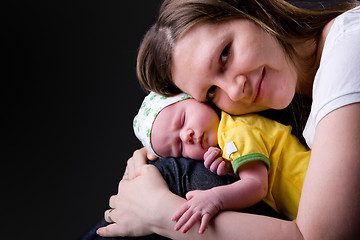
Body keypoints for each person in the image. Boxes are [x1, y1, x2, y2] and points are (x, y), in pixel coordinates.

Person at [97, 0, 360, 239]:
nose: (235, 91)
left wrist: (159, 212)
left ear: (252, 10)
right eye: (212, 92)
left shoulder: (348, 52)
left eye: (225, 54)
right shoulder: (293, 100)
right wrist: (150, 158)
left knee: (175, 176)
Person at [132, 91, 310, 234]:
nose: (187, 136)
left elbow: (257, 186)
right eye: (179, 146)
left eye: (183, 120)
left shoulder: (235, 131)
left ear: (197, 99)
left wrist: (214, 199)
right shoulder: (226, 140)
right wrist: (231, 169)